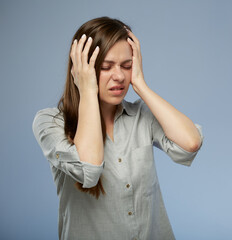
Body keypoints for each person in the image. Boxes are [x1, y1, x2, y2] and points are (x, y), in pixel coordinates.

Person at [32, 16, 203, 240]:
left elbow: (190, 143)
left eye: (127, 66)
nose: (119, 76)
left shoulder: (141, 115)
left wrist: (140, 84)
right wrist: (86, 90)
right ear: (82, 69)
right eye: (106, 67)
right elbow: (89, 170)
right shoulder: (50, 122)